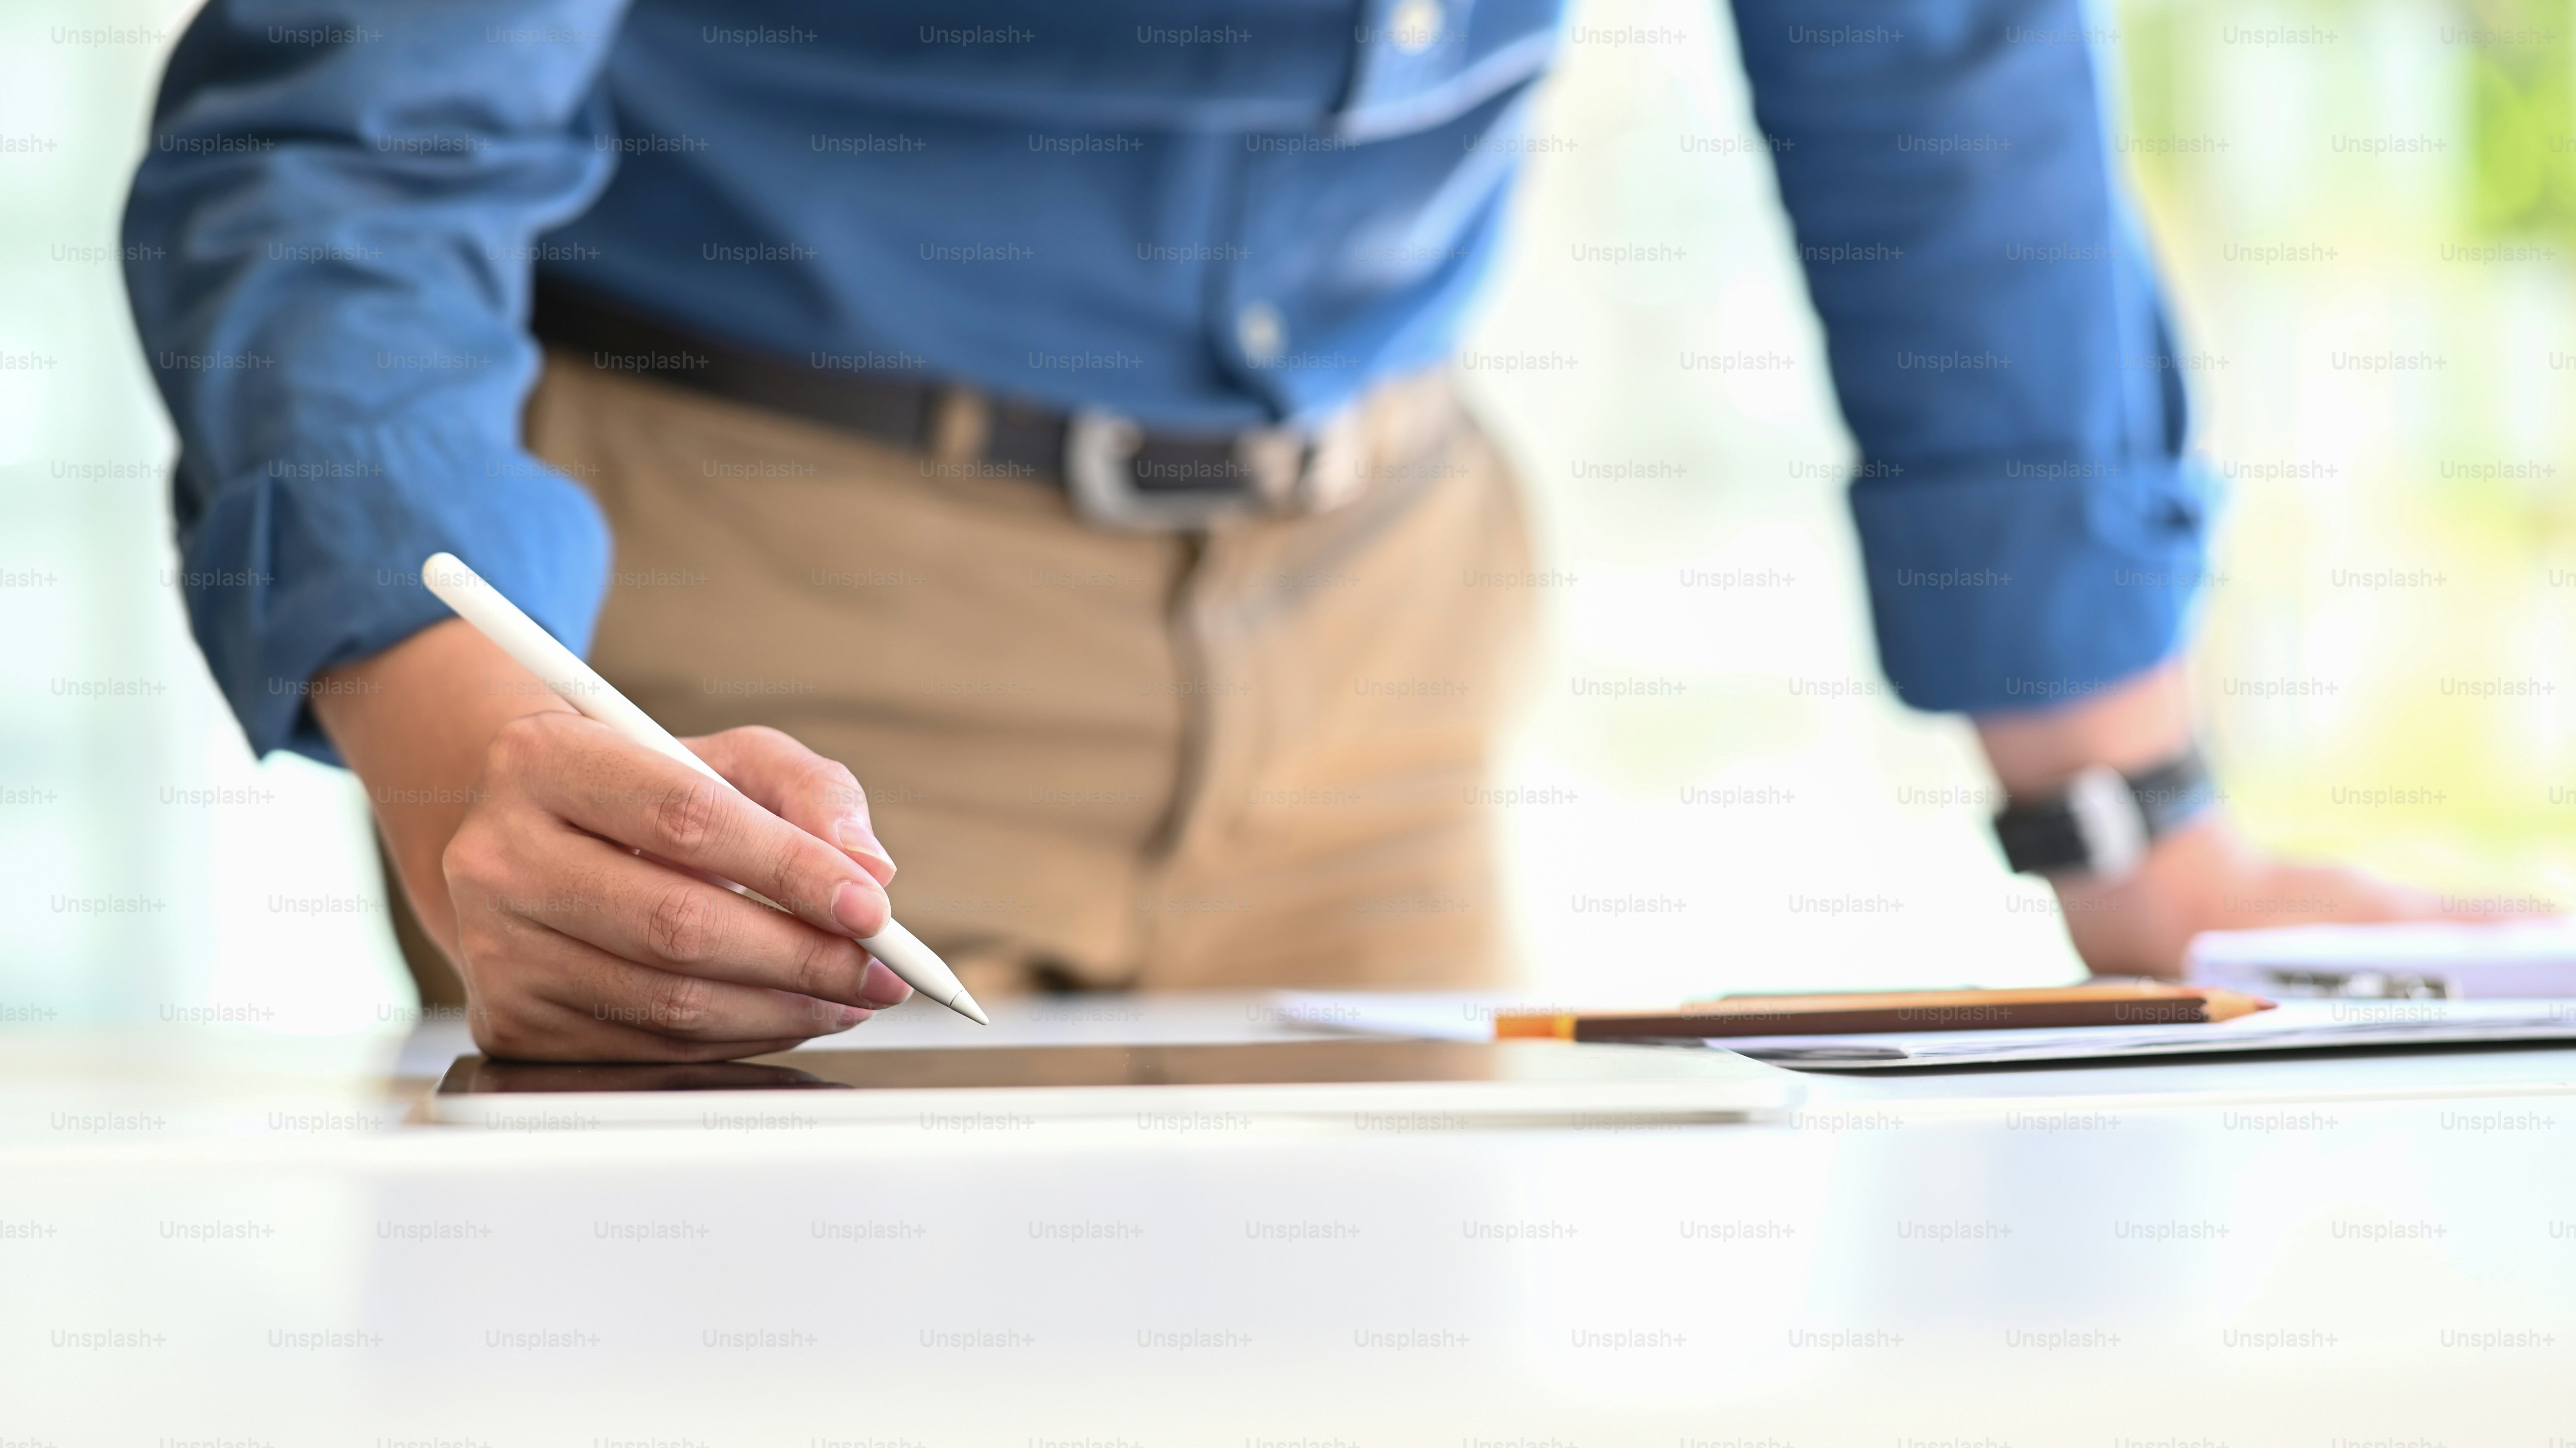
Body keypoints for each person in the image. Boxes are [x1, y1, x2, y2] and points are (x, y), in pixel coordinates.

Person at [124, 0, 2448, 1062]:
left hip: (1381, 622)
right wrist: (471, 759)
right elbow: (350, 141)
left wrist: (2134, 827)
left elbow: (1930, 61)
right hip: (754, 594)